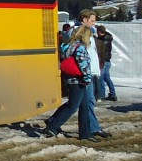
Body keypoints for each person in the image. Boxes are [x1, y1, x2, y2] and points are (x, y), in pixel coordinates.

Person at [42, 11, 108, 142]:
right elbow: (83, 63)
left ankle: (86, 133)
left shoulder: (69, 44)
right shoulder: (80, 46)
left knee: (83, 106)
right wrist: (88, 77)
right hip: (80, 79)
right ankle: (53, 124)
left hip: (74, 78)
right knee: (73, 105)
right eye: (92, 20)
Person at [95, 23, 117, 101]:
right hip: (108, 60)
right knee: (107, 78)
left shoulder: (102, 40)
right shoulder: (108, 37)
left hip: (103, 61)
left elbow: (101, 51)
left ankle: (102, 95)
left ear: (99, 32)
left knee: (101, 78)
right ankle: (113, 94)